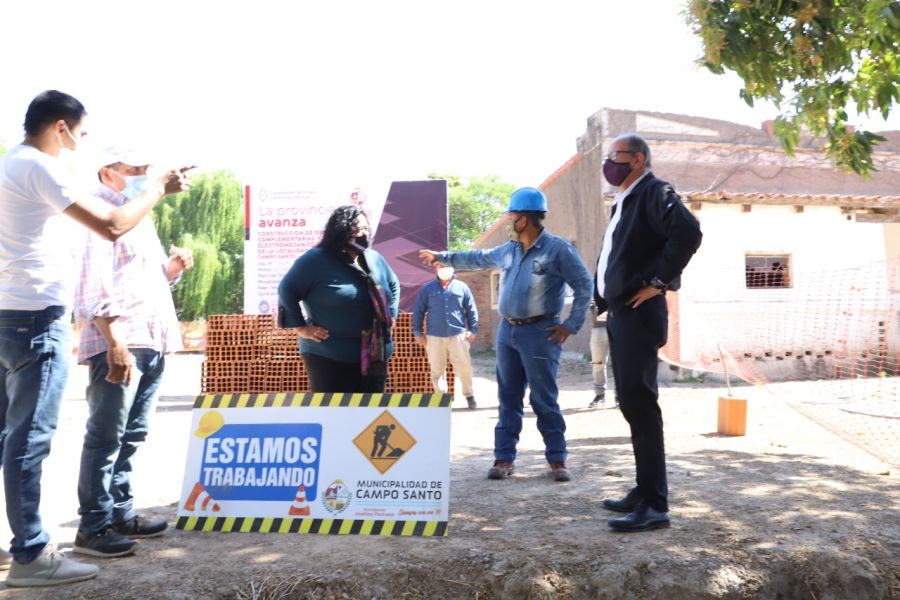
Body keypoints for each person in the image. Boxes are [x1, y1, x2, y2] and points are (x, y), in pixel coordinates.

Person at [0, 90, 193, 586]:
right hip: (34, 317)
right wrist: (159, 189)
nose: (80, 148)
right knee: (32, 440)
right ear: (61, 128)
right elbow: (110, 227)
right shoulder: (39, 168)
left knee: (19, 436)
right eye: (80, 135)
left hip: (17, 313)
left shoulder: (13, 169)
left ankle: (35, 543)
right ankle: (33, 555)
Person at [419, 187, 592, 482]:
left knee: (543, 397)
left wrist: (570, 325)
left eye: (511, 215)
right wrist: (443, 257)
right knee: (508, 396)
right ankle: (503, 459)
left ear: (523, 219)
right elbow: (478, 258)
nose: (508, 221)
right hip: (508, 332)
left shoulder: (558, 249)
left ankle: (557, 460)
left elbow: (584, 285)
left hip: (541, 332)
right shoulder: (508, 251)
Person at [72, 147, 195, 558]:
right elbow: (92, 283)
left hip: (151, 337)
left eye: (146, 168)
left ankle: (120, 513)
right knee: (106, 436)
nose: (145, 174)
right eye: (135, 169)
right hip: (123, 340)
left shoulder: (137, 216)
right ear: (108, 173)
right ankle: (93, 526)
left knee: (133, 434)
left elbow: (143, 278)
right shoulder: (98, 214)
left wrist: (173, 270)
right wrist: (115, 342)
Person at [593, 133, 702, 532]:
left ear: (638, 159)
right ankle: (644, 490)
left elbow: (688, 231)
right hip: (622, 314)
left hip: (640, 312)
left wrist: (658, 281)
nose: (609, 164)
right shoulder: (626, 198)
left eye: (614, 157)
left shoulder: (655, 191)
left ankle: (655, 504)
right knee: (630, 404)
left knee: (641, 404)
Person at [278, 205, 400, 392]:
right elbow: (287, 289)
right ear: (341, 230)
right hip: (329, 355)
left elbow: (393, 284)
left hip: (375, 354)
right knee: (335, 415)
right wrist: (301, 327)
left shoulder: (374, 258)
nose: (363, 234)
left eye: (366, 229)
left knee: (370, 415)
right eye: (357, 230)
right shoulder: (315, 260)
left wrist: (391, 314)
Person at [412, 264, 479, 409]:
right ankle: (442, 399)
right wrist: (418, 333)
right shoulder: (427, 289)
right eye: (439, 266)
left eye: (445, 265)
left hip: (458, 335)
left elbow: (471, 309)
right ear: (435, 269)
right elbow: (418, 311)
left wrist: (473, 330)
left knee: (464, 367)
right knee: (437, 369)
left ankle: (469, 395)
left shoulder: (462, 287)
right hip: (434, 336)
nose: (443, 269)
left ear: (452, 268)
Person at [588, 302, 614, 409]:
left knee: (620, 364)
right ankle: (600, 395)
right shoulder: (595, 284)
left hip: (619, 324)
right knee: (597, 362)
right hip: (598, 326)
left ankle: (620, 396)